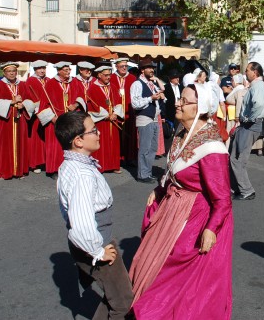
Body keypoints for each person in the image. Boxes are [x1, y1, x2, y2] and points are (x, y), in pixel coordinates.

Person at [129, 83, 232, 318]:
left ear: (200, 107)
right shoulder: (183, 133)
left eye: (184, 101)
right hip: (174, 206)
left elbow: (223, 198)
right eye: (181, 99)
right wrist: (159, 189)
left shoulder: (211, 147)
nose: (178, 103)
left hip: (197, 214)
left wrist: (211, 229)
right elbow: (175, 171)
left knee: (175, 264)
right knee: (154, 257)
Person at [55, 111, 133, 320]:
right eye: (94, 130)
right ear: (78, 141)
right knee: (123, 302)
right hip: (97, 244)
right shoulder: (81, 174)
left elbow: (67, 211)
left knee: (114, 297)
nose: (98, 134)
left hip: (97, 241)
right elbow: (80, 220)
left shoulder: (74, 165)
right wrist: (97, 251)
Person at [229, 62, 264, 200]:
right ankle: (237, 188)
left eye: (247, 70)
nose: (245, 73)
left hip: (250, 125)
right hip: (247, 125)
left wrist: (248, 118)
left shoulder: (258, 86)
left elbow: (258, 105)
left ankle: (246, 190)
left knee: (239, 160)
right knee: (234, 157)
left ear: (255, 72)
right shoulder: (256, 85)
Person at [38, 62, 87, 176]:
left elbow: (82, 97)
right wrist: (53, 118)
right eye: (65, 70)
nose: (68, 72)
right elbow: (43, 105)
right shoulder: (50, 84)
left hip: (71, 120)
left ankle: (71, 169)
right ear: (59, 71)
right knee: (55, 145)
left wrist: (75, 105)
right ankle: (55, 170)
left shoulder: (75, 82)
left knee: (71, 145)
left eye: (69, 69)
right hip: (56, 120)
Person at [0, 62, 35, 180]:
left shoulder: (23, 85)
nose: (11, 73)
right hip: (5, 121)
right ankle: (3, 172)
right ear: (4, 73)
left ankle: (20, 171)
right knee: (4, 146)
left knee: (20, 144)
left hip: (20, 120)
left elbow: (30, 100)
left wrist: (24, 105)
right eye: (9, 71)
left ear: (17, 72)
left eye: (14, 71)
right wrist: (12, 101)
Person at [131, 59, 165, 184]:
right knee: (145, 148)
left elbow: (160, 96)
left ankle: (148, 172)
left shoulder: (152, 84)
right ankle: (142, 174)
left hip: (154, 118)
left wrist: (160, 97)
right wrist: (151, 98)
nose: (152, 70)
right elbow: (135, 104)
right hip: (145, 119)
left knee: (153, 148)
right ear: (142, 70)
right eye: (149, 68)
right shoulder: (137, 84)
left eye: (152, 68)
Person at [87, 64, 123, 174]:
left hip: (113, 119)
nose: (108, 77)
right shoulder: (93, 88)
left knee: (114, 143)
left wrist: (115, 113)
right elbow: (92, 105)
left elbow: (118, 101)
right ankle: (101, 166)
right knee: (101, 143)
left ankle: (113, 165)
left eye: (109, 75)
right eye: (106, 75)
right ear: (99, 75)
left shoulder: (112, 86)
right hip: (102, 121)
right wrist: (106, 115)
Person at [111, 58, 138, 167]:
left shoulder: (132, 78)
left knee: (130, 136)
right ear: (116, 66)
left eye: (126, 66)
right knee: (116, 136)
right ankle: (116, 158)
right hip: (115, 112)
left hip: (129, 111)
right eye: (122, 66)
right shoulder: (111, 78)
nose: (124, 68)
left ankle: (129, 157)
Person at [26, 60, 49, 174]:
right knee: (36, 139)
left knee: (47, 138)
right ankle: (35, 163)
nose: (42, 70)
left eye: (43, 68)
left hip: (48, 113)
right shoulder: (30, 81)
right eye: (39, 68)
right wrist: (35, 106)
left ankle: (46, 161)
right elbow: (28, 96)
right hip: (36, 114)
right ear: (35, 69)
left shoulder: (48, 80)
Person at [225, 74, 246, 142]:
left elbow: (239, 102)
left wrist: (237, 116)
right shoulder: (237, 89)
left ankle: (231, 148)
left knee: (232, 131)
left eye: (233, 80)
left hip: (234, 115)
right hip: (232, 114)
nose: (232, 82)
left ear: (236, 81)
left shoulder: (240, 90)